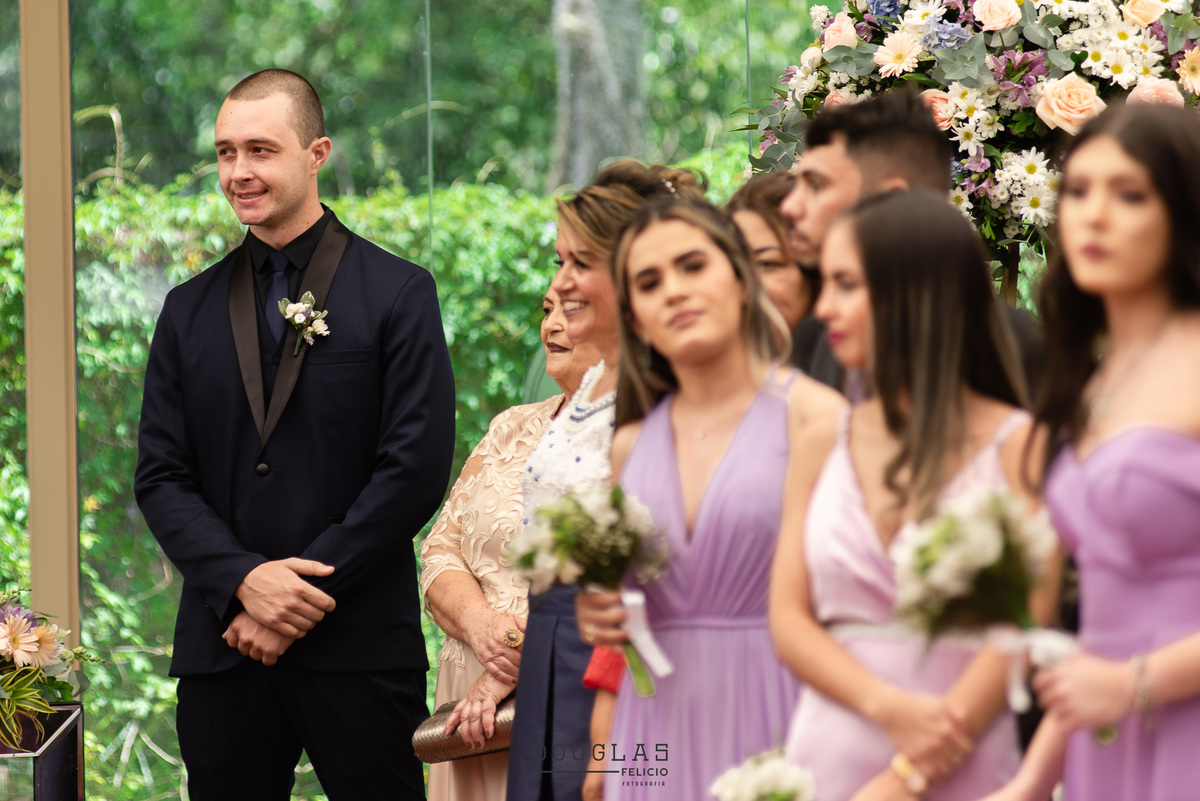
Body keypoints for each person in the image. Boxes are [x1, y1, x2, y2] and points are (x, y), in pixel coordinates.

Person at [134, 69, 455, 800]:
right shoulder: (186, 309)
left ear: (317, 153)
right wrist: (243, 583)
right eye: (224, 153)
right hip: (225, 645)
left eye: (259, 150)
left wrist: (297, 596)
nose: (238, 172)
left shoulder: (399, 292)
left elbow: (413, 470)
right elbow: (161, 474)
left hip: (361, 648)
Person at [770, 190, 1054, 801]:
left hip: (965, 756)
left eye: (846, 284)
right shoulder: (822, 437)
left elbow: (1029, 619)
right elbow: (788, 619)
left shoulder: (1019, 445)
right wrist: (890, 709)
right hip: (830, 752)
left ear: (913, 292)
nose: (824, 307)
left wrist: (911, 772)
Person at [576, 197, 845, 800]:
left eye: (693, 266)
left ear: (741, 280)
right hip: (654, 729)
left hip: (782, 712)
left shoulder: (816, 417)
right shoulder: (628, 448)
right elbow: (624, 613)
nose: (673, 290)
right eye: (649, 282)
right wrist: (601, 609)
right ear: (638, 319)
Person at [979, 103, 1200, 801]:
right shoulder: (1091, 376)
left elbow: (1112, 670)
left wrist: (1135, 682)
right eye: (1077, 190)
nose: (1093, 215)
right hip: (1107, 735)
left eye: (1128, 194)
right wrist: (1031, 781)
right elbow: (1097, 634)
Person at [506, 161, 704, 801]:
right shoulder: (592, 385)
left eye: (579, 263)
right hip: (549, 637)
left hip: (614, 652)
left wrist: (609, 727)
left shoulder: (663, 396)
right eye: (560, 261)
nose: (560, 284)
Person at [421, 286, 602, 801]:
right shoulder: (510, 426)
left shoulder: (643, 437)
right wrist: (483, 628)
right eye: (548, 310)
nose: (552, 326)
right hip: (465, 715)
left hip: (563, 698)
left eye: (573, 309)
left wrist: (520, 658)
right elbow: (439, 549)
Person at [779, 88, 1043, 396]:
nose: (789, 206)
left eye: (816, 185)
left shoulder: (1018, 353)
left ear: (892, 198)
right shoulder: (816, 337)